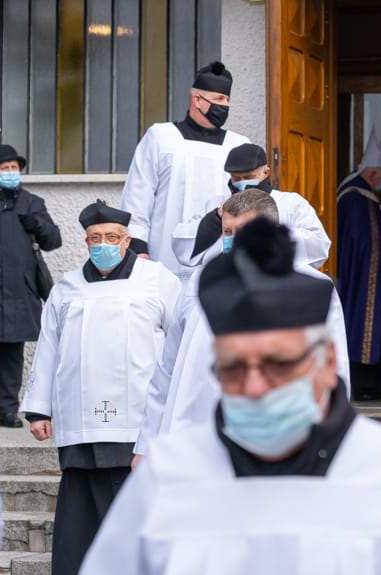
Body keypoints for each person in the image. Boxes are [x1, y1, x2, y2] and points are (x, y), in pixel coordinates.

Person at [80, 220, 381, 575]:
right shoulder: (168, 476)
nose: (255, 386)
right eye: (235, 367)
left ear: (326, 357)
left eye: (279, 363)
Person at [19, 200, 181, 575]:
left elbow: (179, 343)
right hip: (81, 421)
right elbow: (49, 348)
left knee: (132, 505)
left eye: (112, 237)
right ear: (86, 242)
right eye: (95, 238)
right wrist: (40, 409)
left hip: (138, 419)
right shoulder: (67, 288)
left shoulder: (158, 280)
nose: (103, 243)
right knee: (80, 509)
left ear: (126, 241)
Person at [133, 189, 349, 465]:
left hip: (276, 430)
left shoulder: (312, 288)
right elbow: (167, 368)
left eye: (244, 231)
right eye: (227, 232)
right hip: (191, 427)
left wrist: (330, 437)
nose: (233, 241)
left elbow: (336, 366)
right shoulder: (199, 284)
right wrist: (146, 444)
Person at [120, 61, 249, 279]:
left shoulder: (239, 145)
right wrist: (138, 247)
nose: (225, 106)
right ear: (197, 100)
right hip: (164, 260)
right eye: (218, 99)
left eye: (227, 100)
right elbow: (137, 195)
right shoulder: (161, 137)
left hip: (222, 262)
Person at [172, 143, 330, 271]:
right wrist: (216, 219)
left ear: (266, 173)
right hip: (226, 281)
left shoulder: (291, 204)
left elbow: (319, 245)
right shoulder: (217, 203)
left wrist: (270, 231)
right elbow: (182, 242)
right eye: (236, 178)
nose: (242, 183)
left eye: (249, 177)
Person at [0, 145, 61, 428]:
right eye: (4, 168)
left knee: (13, 354)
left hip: (19, 292)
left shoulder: (32, 202)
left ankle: (8, 410)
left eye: (14, 168)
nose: (11, 173)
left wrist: (35, 222)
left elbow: (53, 241)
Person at [337, 132, 381, 400]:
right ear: (372, 174)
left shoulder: (362, 194)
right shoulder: (355, 197)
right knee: (361, 322)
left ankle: (372, 384)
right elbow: (364, 240)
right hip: (361, 277)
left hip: (365, 274)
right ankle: (363, 385)